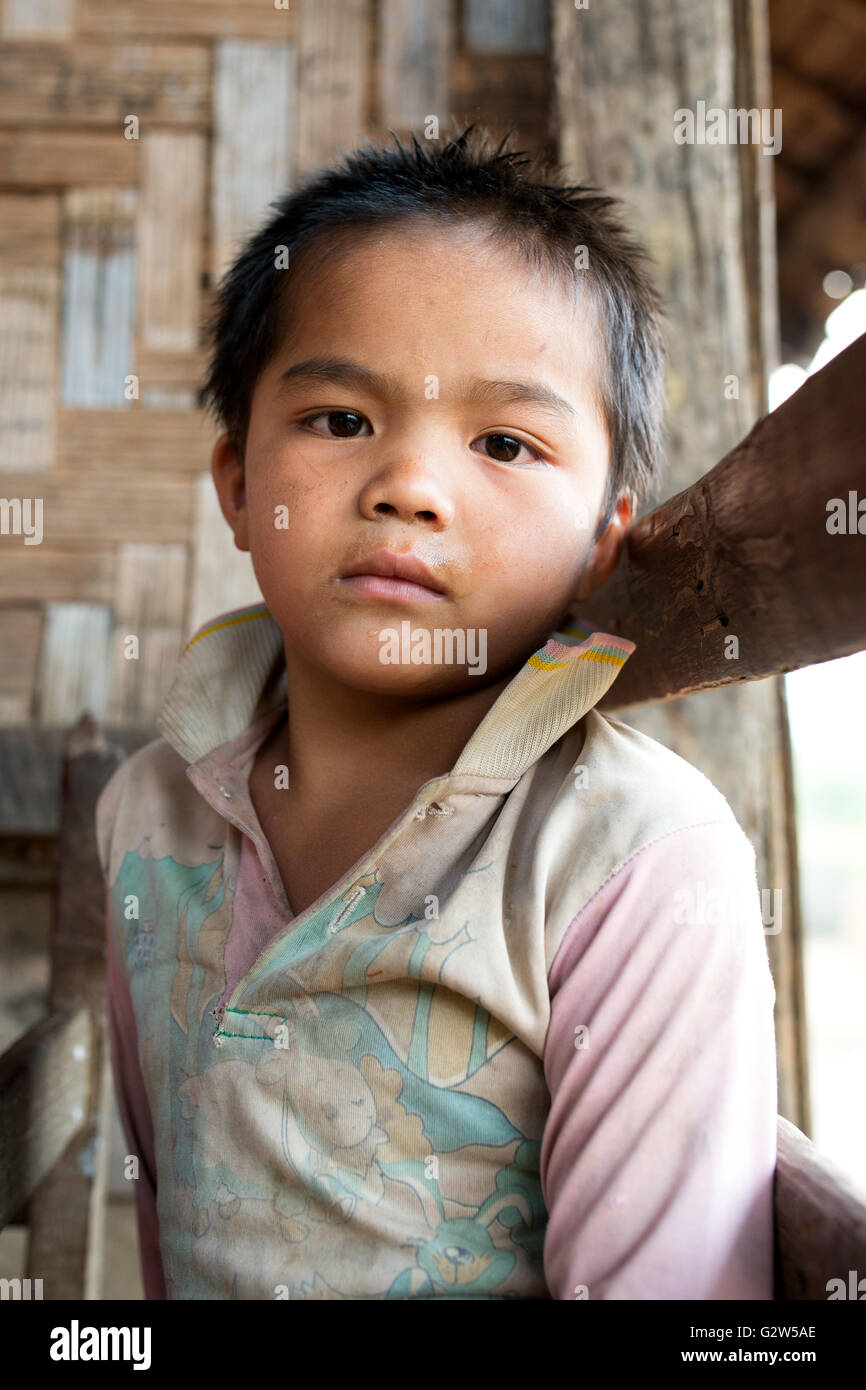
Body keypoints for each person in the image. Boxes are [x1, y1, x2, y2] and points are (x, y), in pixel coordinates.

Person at [96, 124, 777, 1301]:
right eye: (340, 421)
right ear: (239, 484)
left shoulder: (633, 860)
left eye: (504, 441)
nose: (408, 485)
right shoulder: (146, 815)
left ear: (601, 540)